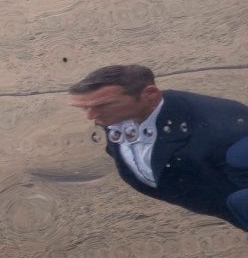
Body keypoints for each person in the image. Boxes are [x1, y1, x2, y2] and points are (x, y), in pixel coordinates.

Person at [68, 64, 248, 228]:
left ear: (150, 94)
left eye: (103, 105)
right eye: (84, 108)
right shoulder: (116, 116)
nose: (90, 116)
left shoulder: (222, 127)